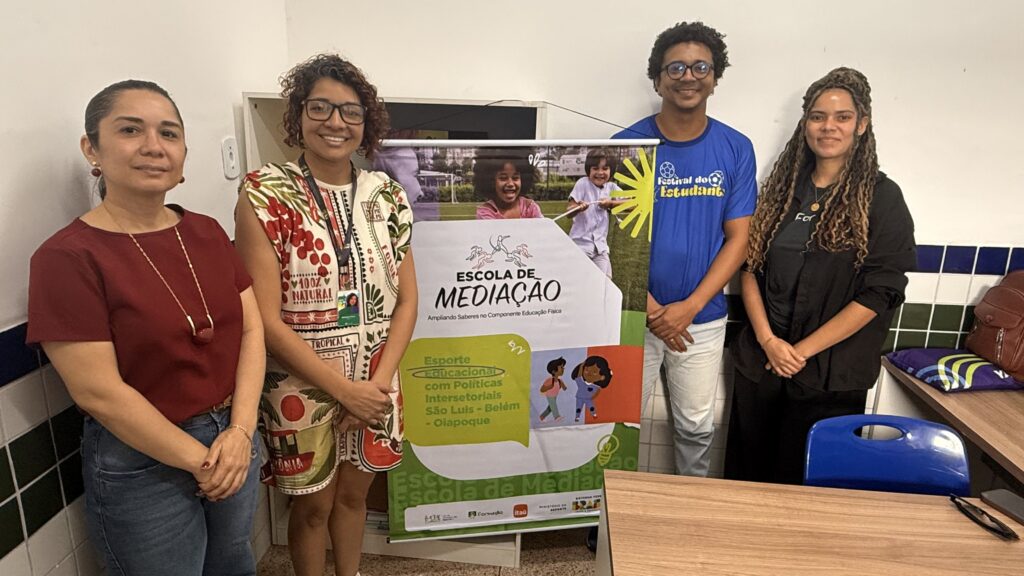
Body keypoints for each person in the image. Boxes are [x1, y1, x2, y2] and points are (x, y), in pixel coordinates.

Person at [27, 80, 264, 575]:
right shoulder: (67, 257)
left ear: (183, 154)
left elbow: (249, 331)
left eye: (169, 133)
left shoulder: (205, 231)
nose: (154, 146)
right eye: (131, 130)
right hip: (142, 458)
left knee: (233, 565)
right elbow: (99, 393)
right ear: (92, 149)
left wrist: (241, 432)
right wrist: (204, 461)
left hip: (232, 435)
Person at [234, 54, 417, 576]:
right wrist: (343, 392)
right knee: (313, 508)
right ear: (298, 114)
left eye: (350, 111)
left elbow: (407, 300)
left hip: (376, 382)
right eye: (320, 107)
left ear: (366, 123)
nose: (336, 122)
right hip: (300, 384)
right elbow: (265, 320)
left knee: (355, 499)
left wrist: (373, 388)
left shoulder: (387, 195)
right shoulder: (265, 193)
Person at [725, 67, 916, 484]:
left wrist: (800, 352)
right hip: (762, 366)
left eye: (842, 117)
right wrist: (769, 342)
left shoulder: (883, 198)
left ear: (861, 124)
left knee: (810, 491)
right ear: (806, 123)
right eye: (817, 116)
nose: (828, 126)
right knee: (746, 482)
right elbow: (750, 267)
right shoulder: (781, 191)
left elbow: (880, 293)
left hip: (829, 376)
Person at [612, 21, 756, 476]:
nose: (688, 76)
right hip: (633, 315)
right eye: (675, 67)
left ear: (715, 78)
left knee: (695, 427)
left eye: (700, 67)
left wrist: (688, 308)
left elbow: (739, 238)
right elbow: (609, 243)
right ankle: (611, 514)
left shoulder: (736, 148)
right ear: (658, 79)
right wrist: (654, 310)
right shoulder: (624, 148)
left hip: (702, 320)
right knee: (618, 425)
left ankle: (689, 509)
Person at [566, 148, 626, 277]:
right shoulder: (582, 183)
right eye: (595, 168)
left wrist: (611, 204)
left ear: (611, 170)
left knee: (605, 281)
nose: (600, 172)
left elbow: (633, 204)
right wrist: (578, 208)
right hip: (580, 246)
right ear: (589, 170)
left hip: (601, 248)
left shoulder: (612, 187)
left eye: (605, 168)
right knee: (581, 279)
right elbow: (569, 211)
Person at [474, 148, 544, 219]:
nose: (510, 184)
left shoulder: (530, 207)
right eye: (503, 178)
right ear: (491, 181)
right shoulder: (485, 213)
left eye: (515, 178)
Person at [538, 357, 568, 423]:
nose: (563, 369)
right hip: (549, 396)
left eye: (563, 367)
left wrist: (564, 387)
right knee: (553, 405)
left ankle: (542, 417)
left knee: (550, 408)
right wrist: (549, 387)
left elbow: (564, 388)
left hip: (555, 396)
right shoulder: (549, 380)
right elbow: (542, 389)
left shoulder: (560, 381)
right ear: (553, 371)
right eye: (561, 367)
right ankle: (557, 417)